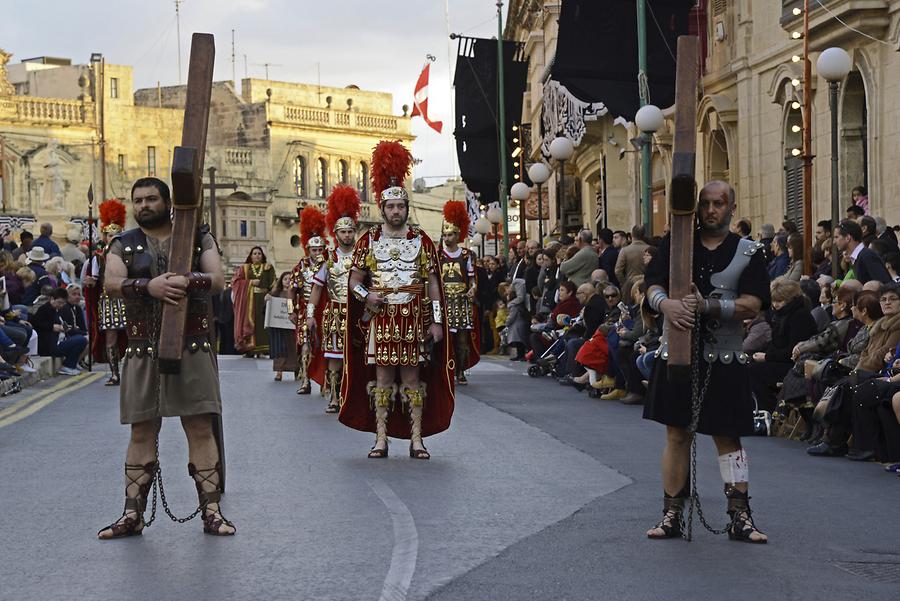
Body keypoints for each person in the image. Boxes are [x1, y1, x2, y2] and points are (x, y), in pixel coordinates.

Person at [97, 176, 234, 539]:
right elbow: (110, 282)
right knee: (141, 430)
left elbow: (218, 279)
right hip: (142, 349)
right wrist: (148, 286)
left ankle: (212, 511)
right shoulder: (122, 243)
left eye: (151, 198)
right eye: (138, 200)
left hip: (192, 344)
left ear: (167, 201)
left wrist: (189, 281)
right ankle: (132, 514)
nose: (144, 205)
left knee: (200, 427)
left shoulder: (197, 237)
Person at [644, 180, 770, 544]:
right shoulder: (676, 244)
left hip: (725, 355)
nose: (711, 210)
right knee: (676, 434)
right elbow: (652, 284)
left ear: (731, 207)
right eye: (705, 204)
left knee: (728, 438)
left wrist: (710, 306)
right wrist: (665, 304)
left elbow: (753, 303)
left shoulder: (749, 252)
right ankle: (671, 513)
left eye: (719, 204)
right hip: (678, 353)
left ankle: (740, 516)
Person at [340, 141, 453, 460]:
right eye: (390, 207)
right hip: (382, 318)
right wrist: (367, 295)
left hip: (414, 318)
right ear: (383, 209)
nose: (395, 211)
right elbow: (354, 280)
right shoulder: (369, 241)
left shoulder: (421, 241)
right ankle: (380, 438)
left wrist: (437, 322)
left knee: (413, 379)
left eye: (400, 206)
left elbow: (432, 283)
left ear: (406, 208)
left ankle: (417, 439)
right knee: (382, 380)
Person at [306, 185, 360, 410]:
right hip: (335, 314)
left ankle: (356, 396)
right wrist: (310, 315)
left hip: (358, 313)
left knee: (358, 357)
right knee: (335, 356)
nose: (347, 235)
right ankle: (335, 396)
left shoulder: (363, 257)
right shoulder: (328, 260)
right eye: (343, 232)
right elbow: (317, 289)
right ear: (336, 235)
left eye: (350, 231)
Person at [748, 277, 817, 413]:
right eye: (774, 301)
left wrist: (767, 357)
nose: (775, 305)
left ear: (790, 299)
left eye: (779, 301)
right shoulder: (782, 315)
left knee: (752, 372)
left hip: (795, 365)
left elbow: (792, 351)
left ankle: (769, 410)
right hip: (782, 361)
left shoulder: (799, 316)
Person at [84, 199, 128, 385]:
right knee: (110, 338)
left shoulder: (128, 254)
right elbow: (94, 279)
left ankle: (135, 372)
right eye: (108, 236)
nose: (111, 239)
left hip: (127, 299)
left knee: (135, 336)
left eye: (114, 236)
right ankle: (115, 373)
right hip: (107, 300)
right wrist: (90, 283)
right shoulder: (98, 258)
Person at [439, 200, 480, 385]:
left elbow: (472, 278)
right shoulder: (438, 255)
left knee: (462, 339)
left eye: (451, 234)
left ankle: (461, 370)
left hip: (462, 300)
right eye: (445, 235)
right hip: (444, 301)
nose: (447, 238)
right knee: (444, 339)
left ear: (458, 235)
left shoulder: (466, 255)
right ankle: (445, 370)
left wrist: (473, 289)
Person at [290, 207, 327, 396]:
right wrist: (291, 310)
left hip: (325, 311)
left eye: (321, 249)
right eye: (314, 249)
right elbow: (292, 289)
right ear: (308, 249)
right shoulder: (301, 266)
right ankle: (305, 379)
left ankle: (324, 381)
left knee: (325, 347)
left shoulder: (330, 264)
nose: (318, 252)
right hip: (305, 310)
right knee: (305, 345)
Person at [231, 245, 275, 357]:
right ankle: (249, 350)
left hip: (263, 300)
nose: (257, 255)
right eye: (254, 253)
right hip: (248, 301)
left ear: (263, 255)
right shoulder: (244, 268)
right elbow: (235, 282)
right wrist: (250, 282)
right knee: (250, 323)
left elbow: (273, 285)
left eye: (259, 253)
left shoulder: (268, 267)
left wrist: (270, 294)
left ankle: (261, 350)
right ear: (251, 256)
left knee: (261, 324)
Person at [32, 288, 88, 376]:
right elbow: (36, 323)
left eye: (63, 303)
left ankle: (70, 364)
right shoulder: (44, 310)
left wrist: (66, 328)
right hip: (51, 345)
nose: (61, 305)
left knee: (82, 339)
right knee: (81, 340)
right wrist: (52, 327)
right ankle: (68, 365)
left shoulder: (56, 310)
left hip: (60, 339)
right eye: (59, 302)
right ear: (52, 299)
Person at [834, 219, 891, 285]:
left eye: (836, 237)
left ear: (848, 238)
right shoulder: (857, 257)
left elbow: (884, 284)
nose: (834, 242)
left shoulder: (867, 256)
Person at [267, 271, 298, 382]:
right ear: (281, 281)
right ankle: (279, 372)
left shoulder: (296, 293)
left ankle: (296, 371)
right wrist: (267, 300)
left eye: (290, 279)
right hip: (279, 327)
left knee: (293, 348)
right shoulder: (275, 293)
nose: (287, 281)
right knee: (280, 349)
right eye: (285, 279)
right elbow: (267, 309)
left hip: (292, 326)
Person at [614, 224, 649, 299]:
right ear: (644, 235)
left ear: (632, 234)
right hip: (646, 284)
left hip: (630, 286)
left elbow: (618, 271)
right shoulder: (650, 249)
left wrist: (625, 283)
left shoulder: (625, 250)